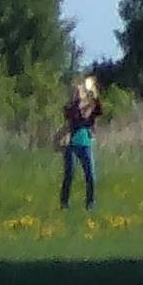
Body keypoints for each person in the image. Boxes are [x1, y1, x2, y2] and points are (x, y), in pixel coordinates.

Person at [59, 73, 103, 209]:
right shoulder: (70, 107)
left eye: (80, 92)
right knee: (69, 175)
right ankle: (64, 203)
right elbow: (78, 118)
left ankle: (90, 203)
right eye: (76, 92)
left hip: (86, 145)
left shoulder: (90, 106)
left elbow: (99, 111)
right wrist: (85, 106)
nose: (78, 94)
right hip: (71, 145)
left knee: (91, 176)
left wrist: (95, 97)